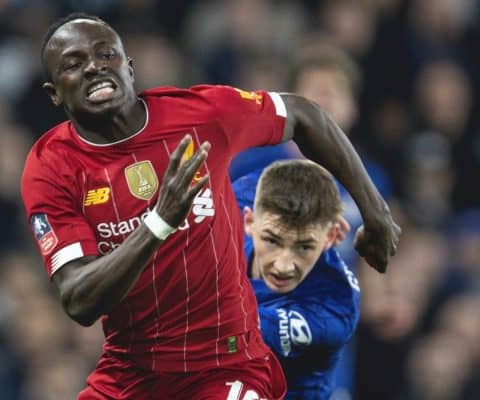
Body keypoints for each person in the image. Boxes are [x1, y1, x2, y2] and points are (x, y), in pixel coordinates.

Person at [21, 12, 400, 400]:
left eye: (106, 54)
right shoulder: (52, 166)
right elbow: (78, 299)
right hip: (130, 373)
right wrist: (157, 224)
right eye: (73, 63)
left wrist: (377, 214)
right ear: (54, 93)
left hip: (227, 364)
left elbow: (304, 114)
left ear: (129, 68)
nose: (94, 68)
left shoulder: (200, 115)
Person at [229, 44, 392, 398]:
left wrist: (383, 297)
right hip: (241, 327)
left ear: (353, 107)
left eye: (335, 91)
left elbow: (378, 262)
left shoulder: (370, 182)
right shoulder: (248, 167)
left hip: (319, 331)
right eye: (314, 91)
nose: (325, 100)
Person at [232, 159, 360, 399]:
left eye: (304, 247)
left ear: (332, 236)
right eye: (272, 240)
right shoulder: (246, 198)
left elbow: (223, 331)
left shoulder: (334, 307)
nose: (283, 266)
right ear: (249, 221)